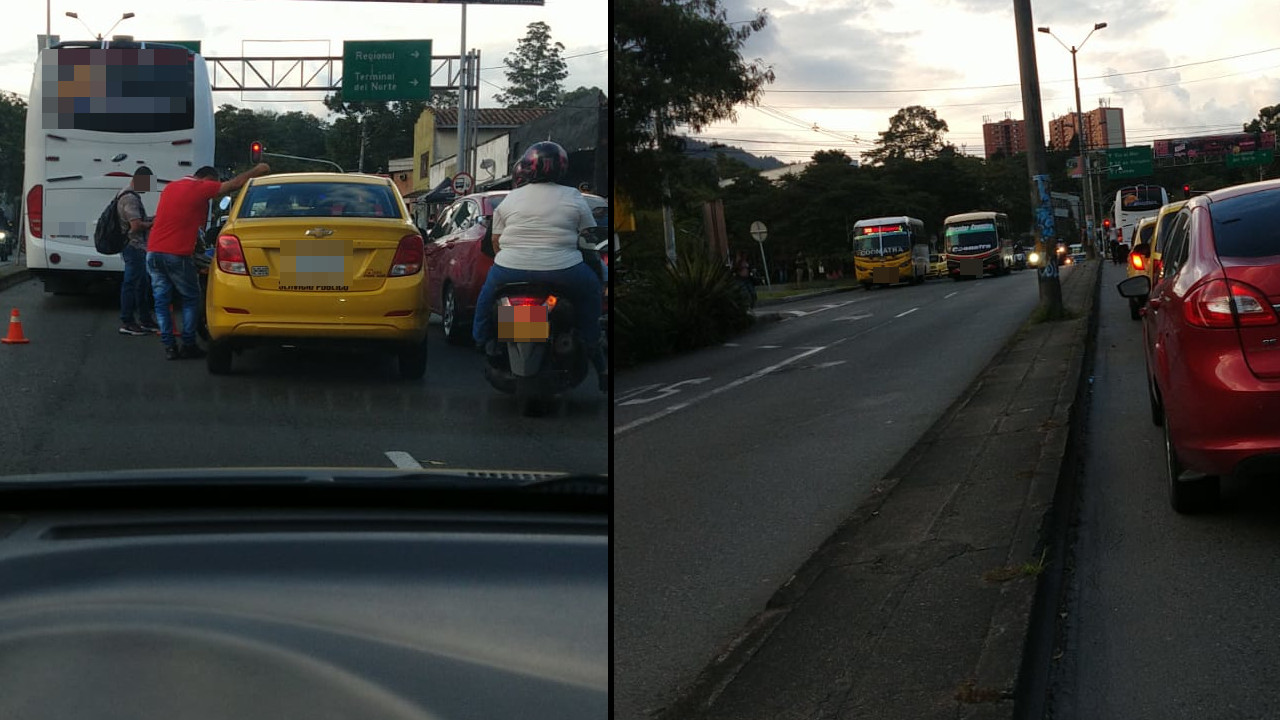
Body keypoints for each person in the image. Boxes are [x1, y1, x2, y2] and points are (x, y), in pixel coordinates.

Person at [471, 141, 607, 392]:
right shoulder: (574, 196)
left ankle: (482, 339)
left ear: (526, 168)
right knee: (592, 291)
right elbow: (589, 236)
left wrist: (513, 259)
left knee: (486, 296)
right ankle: (591, 343)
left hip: (510, 269)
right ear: (562, 168)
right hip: (564, 269)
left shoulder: (511, 199)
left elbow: (495, 241)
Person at [147, 162, 270, 360]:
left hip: (153, 252)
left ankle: (169, 346)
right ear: (208, 179)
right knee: (191, 298)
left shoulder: (171, 187)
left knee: (162, 301)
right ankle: (189, 344)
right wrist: (258, 170)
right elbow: (234, 184)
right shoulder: (199, 187)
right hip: (176, 254)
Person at [116, 166, 159, 336]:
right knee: (132, 283)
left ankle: (144, 319)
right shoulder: (130, 198)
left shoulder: (126, 194)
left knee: (141, 284)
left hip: (135, 246)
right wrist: (152, 223)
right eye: (148, 183)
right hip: (134, 246)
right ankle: (128, 321)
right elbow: (135, 226)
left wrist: (149, 219)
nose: (148, 187)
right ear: (140, 179)